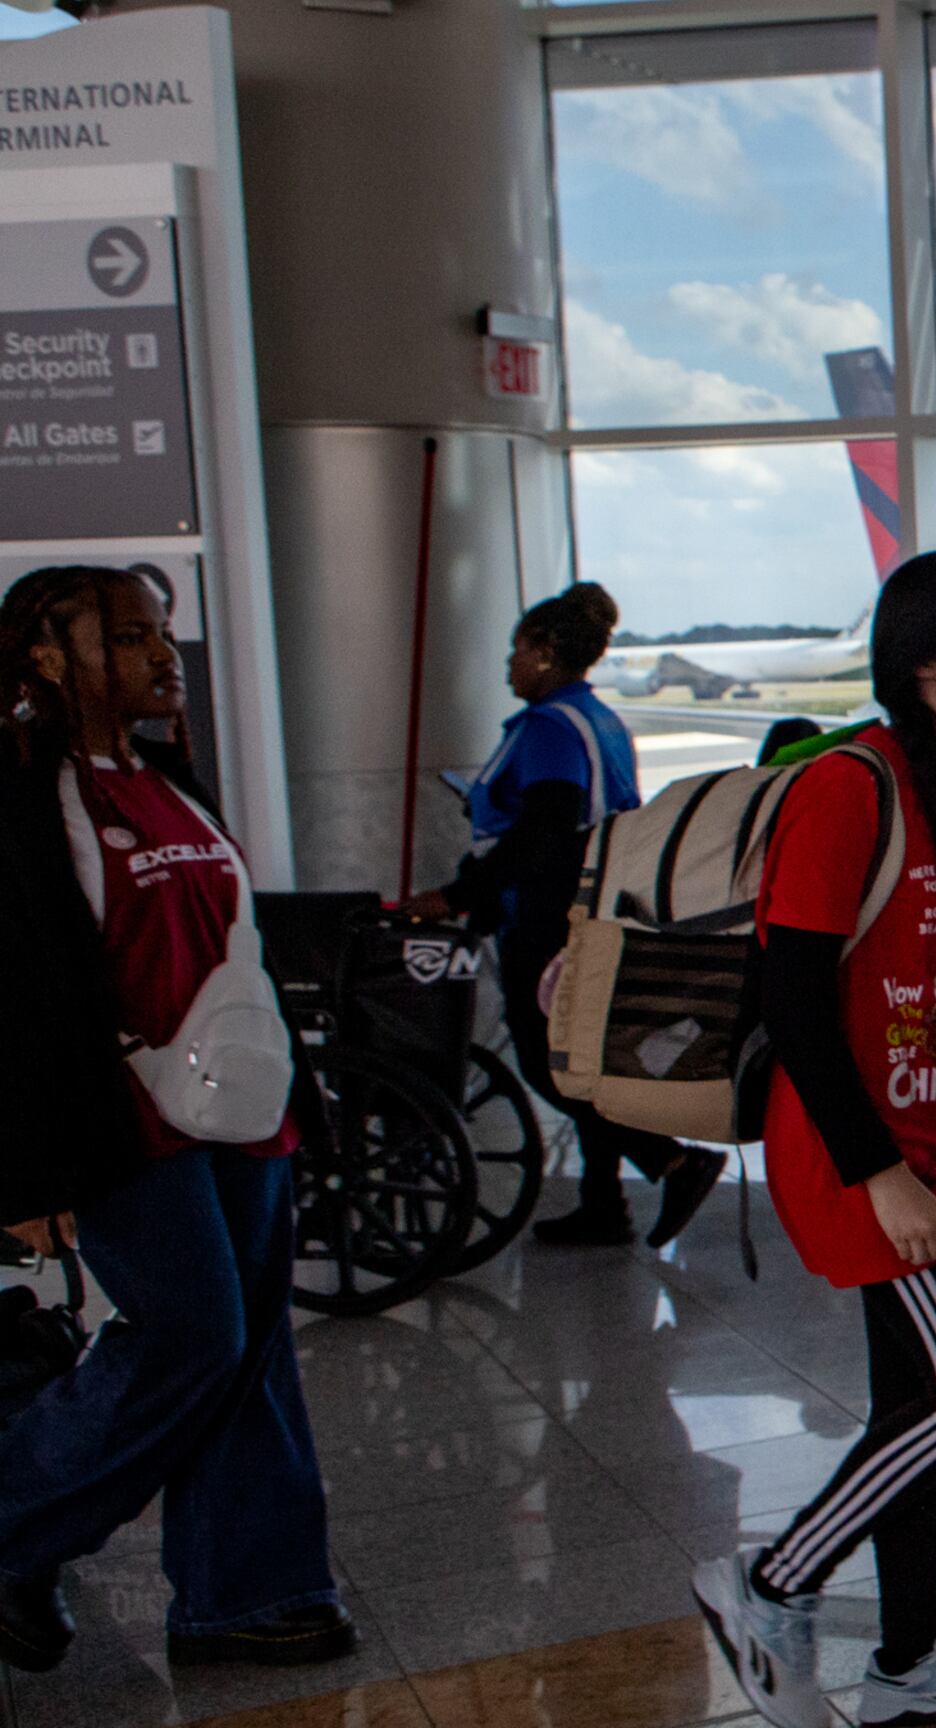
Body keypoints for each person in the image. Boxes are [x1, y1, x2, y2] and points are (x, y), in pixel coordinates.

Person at [692, 552, 936, 1728]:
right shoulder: (850, 785)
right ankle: (770, 1583)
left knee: (917, 1406)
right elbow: (793, 1000)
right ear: (921, 659)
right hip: (858, 1152)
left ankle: (909, 1662)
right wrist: (882, 1171)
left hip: (931, 1146)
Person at [0, 566, 352, 1673]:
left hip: (243, 1118)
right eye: (131, 636)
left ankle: (248, 1592)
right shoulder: (25, 791)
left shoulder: (165, 780)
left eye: (164, 635)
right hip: (125, 1125)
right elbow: (18, 991)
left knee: (250, 1357)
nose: (163, 656)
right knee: (189, 1334)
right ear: (49, 657)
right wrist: (27, 1174)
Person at [410, 583, 722, 1248]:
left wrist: (461, 893)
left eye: (517, 651)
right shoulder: (594, 718)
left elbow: (545, 830)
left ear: (547, 654)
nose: (508, 665)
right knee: (581, 1054)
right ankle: (603, 1203)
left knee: (549, 1062)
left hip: (554, 918)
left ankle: (668, 1158)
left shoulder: (551, 728)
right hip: (593, 908)